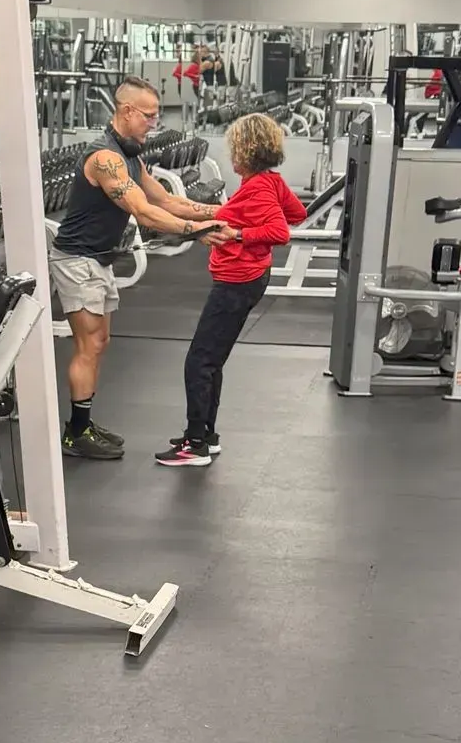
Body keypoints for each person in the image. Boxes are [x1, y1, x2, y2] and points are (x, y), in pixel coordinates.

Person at [50, 77, 221, 460]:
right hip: (77, 260)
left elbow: (166, 200)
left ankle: (84, 422)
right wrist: (197, 232)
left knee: (100, 343)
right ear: (126, 112)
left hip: (100, 259)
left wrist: (219, 213)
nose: (152, 124)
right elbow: (144, 212)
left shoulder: (131, 156)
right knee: (88, 344)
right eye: (148, 116)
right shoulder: (105, 159)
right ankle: (76, 432)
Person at [156, 112, 305, 468]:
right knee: (212, 359)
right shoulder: (270, 181)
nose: (231, 155)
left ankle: (194, 446)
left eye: (234, 148)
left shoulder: (257, 188)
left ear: (246, 150)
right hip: (251, 278)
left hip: (236, 282)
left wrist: (239, 233)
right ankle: (205, 434)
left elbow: (281, 232)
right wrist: (237, 219)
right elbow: (296, 213)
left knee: (199, 361)